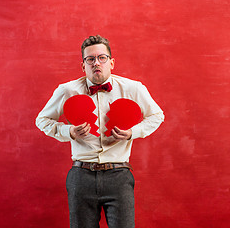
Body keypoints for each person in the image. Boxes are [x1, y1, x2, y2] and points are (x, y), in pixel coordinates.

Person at [35, 35, 164, 228]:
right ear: (83, 65)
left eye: (102, 58)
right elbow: (42, 120)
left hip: (119, 175)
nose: (97, 63)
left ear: (111, 63)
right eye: (90, 59)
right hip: (81, 175)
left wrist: (132, 132)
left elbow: (156, 115)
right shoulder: (67, 90)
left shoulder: (133, 88)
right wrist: (68, 131)